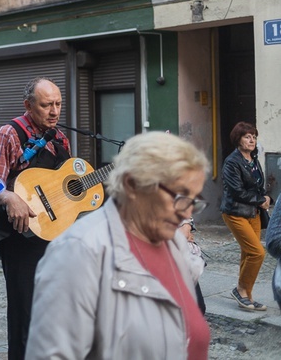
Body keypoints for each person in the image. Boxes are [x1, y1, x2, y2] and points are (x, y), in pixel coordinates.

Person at [27, 132, 210, 359]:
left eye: (193, 200)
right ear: (132, 186)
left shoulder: (173, 243)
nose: (187, 212)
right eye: (178, 196)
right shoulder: (78, 252)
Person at [0, 77, 71, 360]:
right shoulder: (9, 133)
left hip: (58, 236)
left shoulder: (60, 137)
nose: (54, 111)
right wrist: (10, 198)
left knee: (58, 312)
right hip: (23, 239)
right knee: (25, 313)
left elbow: (63, 185)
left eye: (58, 104)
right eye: (46, 105)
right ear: (28, 105)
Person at [220, 121, 271, 311]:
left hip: (253, 213)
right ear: (238, 139)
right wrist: (260, 200)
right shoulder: (232, 162)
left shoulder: (253, 159)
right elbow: (237, 191)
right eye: (247, 136)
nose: (252, 140)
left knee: (248, 253)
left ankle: (247, 296)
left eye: (254, 137)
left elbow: (258, 186)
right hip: (235, 213)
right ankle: (241, 290)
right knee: (258, 252)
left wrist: (267, 198)